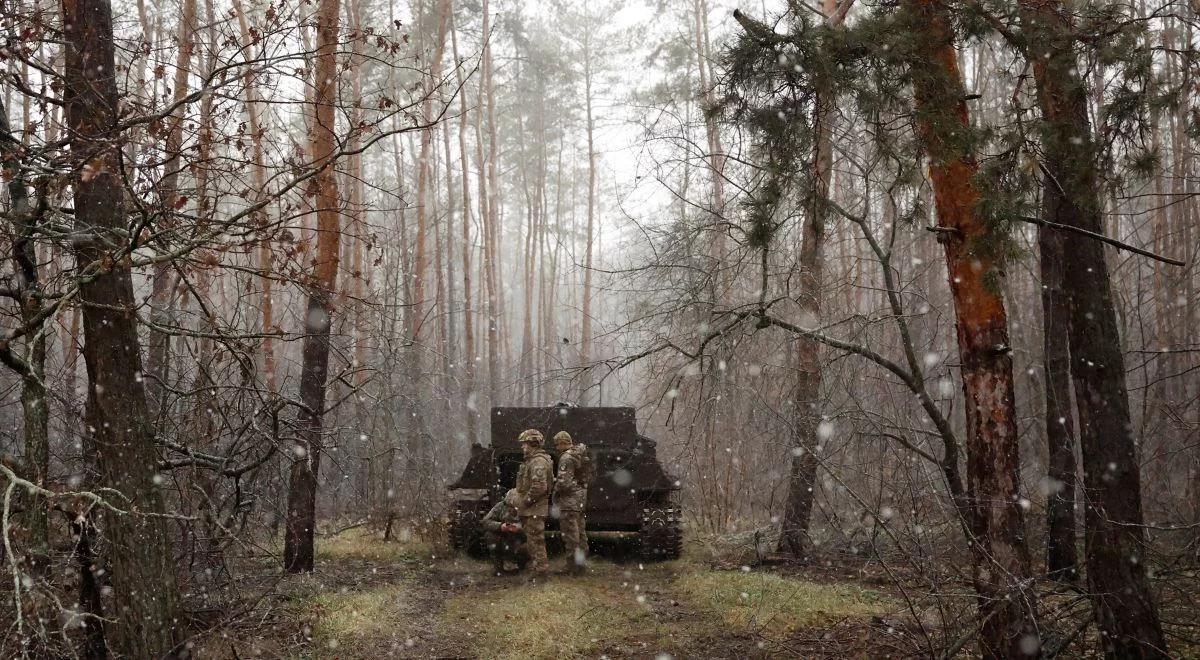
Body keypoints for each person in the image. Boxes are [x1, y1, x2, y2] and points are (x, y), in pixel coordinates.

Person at [515, 428, 553, 578]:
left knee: (536, 541)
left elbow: (539, 487)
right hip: (532, 509)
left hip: (534, 508)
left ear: (533, 444)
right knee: (532, 541)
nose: (522, 447)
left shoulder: (538, 461)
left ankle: (540, 571)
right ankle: (537, 568)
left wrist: (525, 502)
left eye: (524, 444)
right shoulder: (532, 460)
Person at [553, 431, 591, 574]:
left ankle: (572, 566)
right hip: (580, 500)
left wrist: (555, 488)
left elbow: (564, 483)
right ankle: (581, 564)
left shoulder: (566, 458)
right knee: (580, 533)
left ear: (563, 443)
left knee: (570, 535)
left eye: (557, 444)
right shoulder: (580, 455)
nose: (556, 448)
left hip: (568, 502)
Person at [480, 488, 527, 575]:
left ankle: (516, 563)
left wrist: (519, 529)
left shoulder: (526, 507)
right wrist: (500, 526)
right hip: (505, 535)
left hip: (520, 537)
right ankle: (499, 566)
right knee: (490, 536)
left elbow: (531, 527)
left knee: (522, 544)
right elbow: (486, 521)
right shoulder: (500, 506)